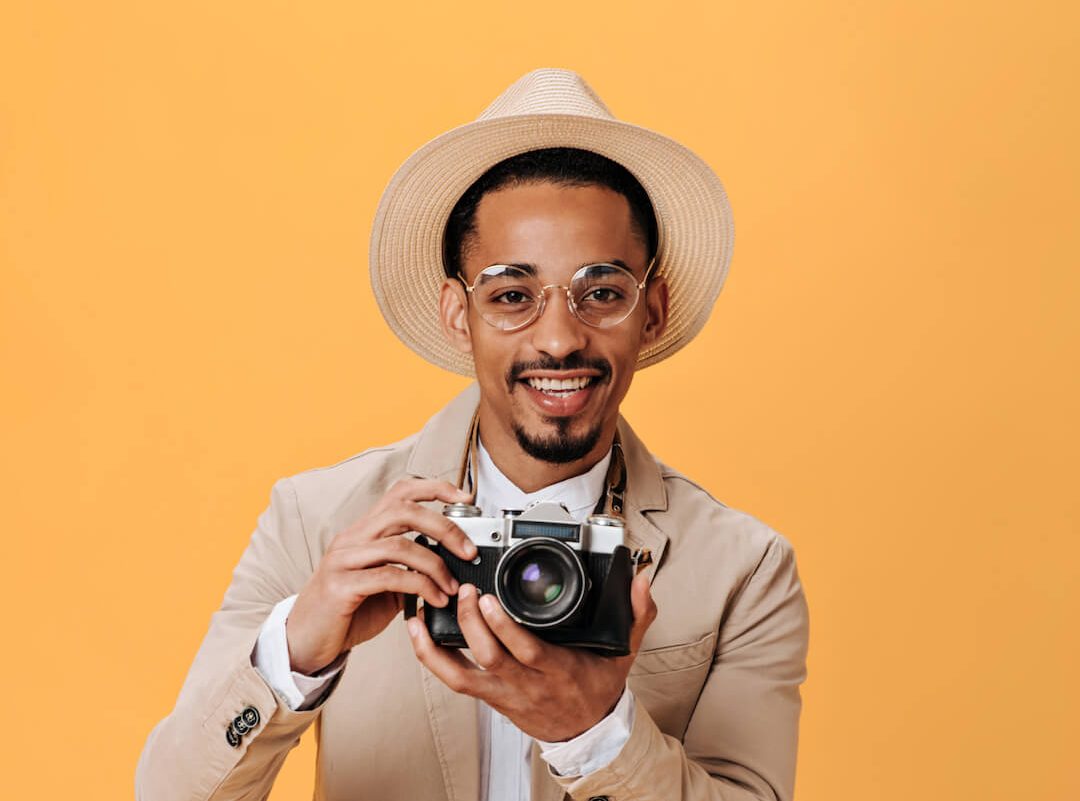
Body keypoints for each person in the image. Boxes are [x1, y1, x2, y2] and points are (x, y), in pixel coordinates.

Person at [136, 68, 810, 801]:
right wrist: (292, 649)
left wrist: (595, 732)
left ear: (651, 311)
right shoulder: (318, 522)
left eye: (603, 293)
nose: (558, 339)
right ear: (460, 313)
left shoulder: (744, 568)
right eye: (512, 294)